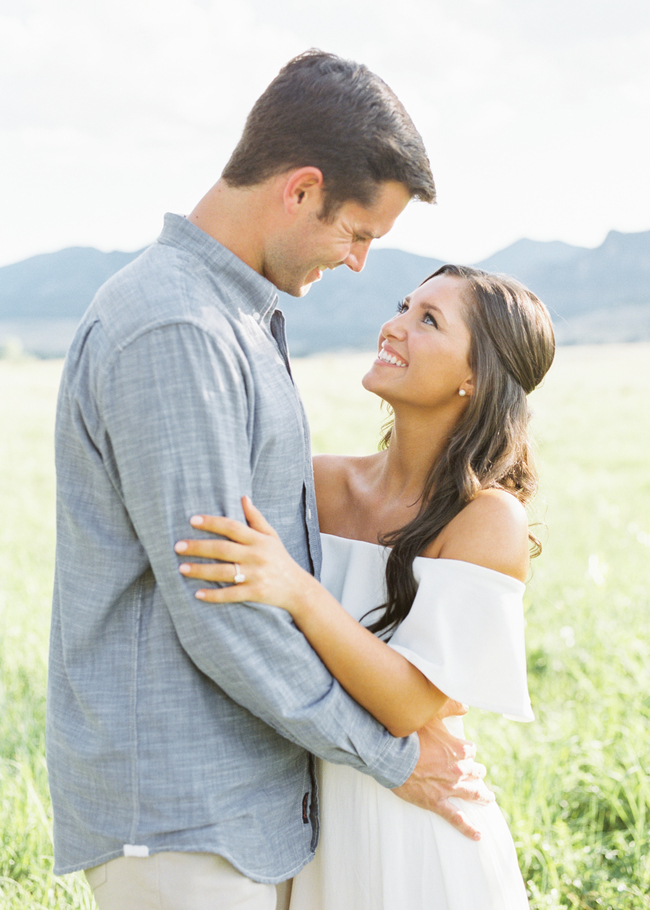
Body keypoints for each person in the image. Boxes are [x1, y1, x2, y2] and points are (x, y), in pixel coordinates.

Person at [47, 51, 490, 910]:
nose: (361, 263)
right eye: (357, 233)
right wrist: (395, 758)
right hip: (180, 819)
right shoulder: (178, 326)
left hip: (237, 811)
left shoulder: (232, 315)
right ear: (300, 190)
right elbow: (223, 614)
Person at [174, 264, 556, 909]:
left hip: (414, 828)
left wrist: (297, 590)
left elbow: (408, 706)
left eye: (428, 320)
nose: (395, 326)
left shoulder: (487, 518)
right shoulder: (317, 482)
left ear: (475, 377)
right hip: (296, 814)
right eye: (405, 306)